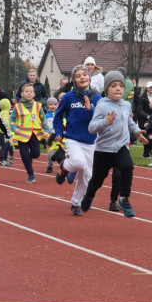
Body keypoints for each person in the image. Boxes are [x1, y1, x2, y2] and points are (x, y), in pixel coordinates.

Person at [81, 70, 148, 217]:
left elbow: (128, 121)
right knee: (97, 181)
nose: (118, 88)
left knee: (127, 167)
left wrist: (137, 131)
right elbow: (91, 128)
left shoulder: (125, 105)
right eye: (113, 86)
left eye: (120, 86)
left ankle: (124, 199)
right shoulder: (102, 105)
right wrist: (106, 122)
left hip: (121, 147)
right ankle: (89, 196)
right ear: (106, 90)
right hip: (104, 150)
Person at [53, 64, 102, 216]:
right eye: (78, 75)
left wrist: (90, 109)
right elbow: (58, 116)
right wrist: (59, 131)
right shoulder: (68, 97)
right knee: (78, 162)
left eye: (85, 74)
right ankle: (64, 167)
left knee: (87, 177)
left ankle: (76, 203)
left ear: (89, 77)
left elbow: (100, 119)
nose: (82, 77)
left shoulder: (98, 97)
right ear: (74, 80)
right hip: (73, 138)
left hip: (91, 142)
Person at [11, 82, 45, 183]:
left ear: (34, 94)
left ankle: (28, 159)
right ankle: (31, 174)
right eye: (26, 91)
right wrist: (14, 128)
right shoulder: (17, 107)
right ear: (22, 94)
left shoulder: (38, 106)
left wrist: (46, 130)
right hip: (22, 135)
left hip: (34, 134)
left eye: (31, 92)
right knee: (24, 155)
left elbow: (44, 120)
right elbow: (11, 120)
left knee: (36, 154)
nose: (29, 93)